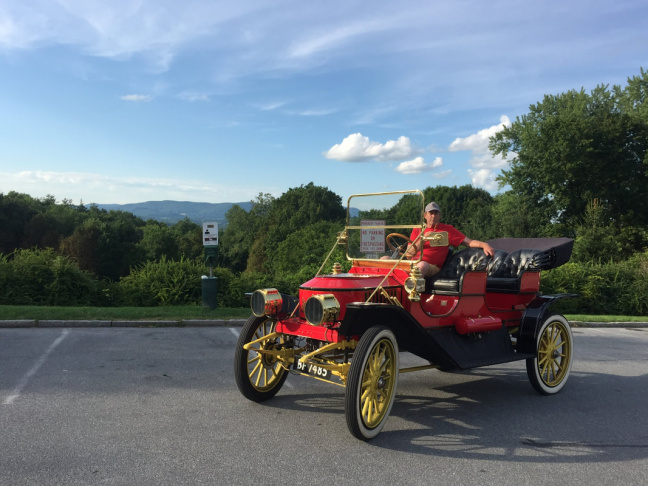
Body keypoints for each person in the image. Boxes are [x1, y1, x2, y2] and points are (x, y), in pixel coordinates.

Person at [403, 202, 495, 277]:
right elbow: (408, 254)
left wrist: (484, 245)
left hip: (431, 267)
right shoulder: (417, 229)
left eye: (436, 213)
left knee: (421, 266)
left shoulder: (447, 230)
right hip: (412, 263)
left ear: (440, 215)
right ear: (425, 215)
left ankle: (412, 296)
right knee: (387, 259)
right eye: (431, 213)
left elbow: (468, 242)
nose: (433, 216)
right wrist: (423, 240)